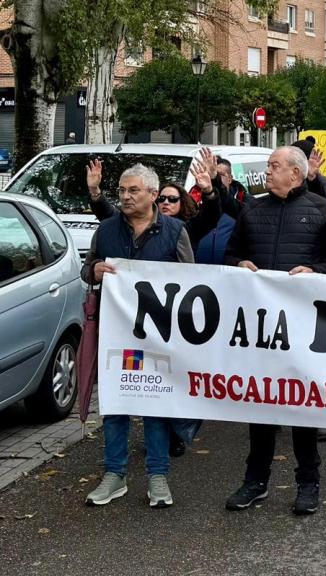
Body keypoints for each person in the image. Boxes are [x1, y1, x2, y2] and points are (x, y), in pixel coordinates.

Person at [223, 146, 326, 516]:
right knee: (259, 407)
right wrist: (240, 264)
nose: (268, 171)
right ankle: (255, 481)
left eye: (274, 166)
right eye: (269, 166)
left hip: (302, 330)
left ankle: (308, 483)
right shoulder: (252, 209)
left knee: (302, 410)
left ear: (295, 174)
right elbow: (229, 257)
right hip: (260, 329)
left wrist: (316, 272)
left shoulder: (322, 211)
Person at [82, 164, 195, 508]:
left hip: (157, 337)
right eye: (121, 191)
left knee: (154, 404)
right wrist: (95, 271)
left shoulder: (175, 231)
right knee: (115, 403)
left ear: (152, 194)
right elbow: (88, 267)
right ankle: (114, 474)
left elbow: (191, 282)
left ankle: (157, 476)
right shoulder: (106, 230)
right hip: (116, 335)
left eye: (133, 191)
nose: (126, 197)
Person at [86, 155, 222, 253]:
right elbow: (107, 213)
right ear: (155, 198)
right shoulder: (123, 221)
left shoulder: (183, 229)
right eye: (162, 199)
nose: (166, 202)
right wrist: (94, 190)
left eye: (173, 199)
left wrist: (209, 190)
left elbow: (211, 216)